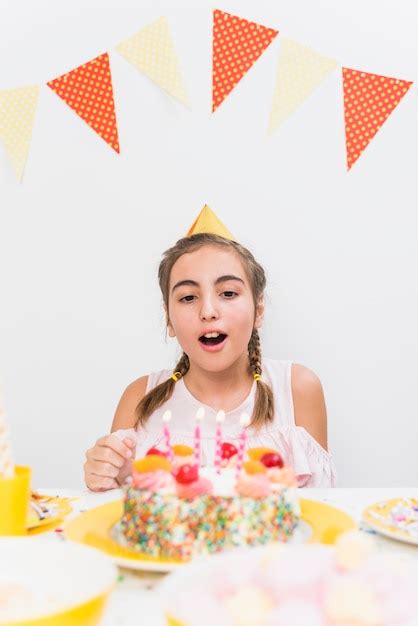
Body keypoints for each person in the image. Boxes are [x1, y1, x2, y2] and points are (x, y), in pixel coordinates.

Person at [84, 228, 337, 491]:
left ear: (258, 310)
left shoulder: (298, 389)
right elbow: (117, 508)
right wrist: (105, 476)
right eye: (188, 297)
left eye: (228, 293)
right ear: (169, 319)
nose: (208, 311)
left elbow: (319, 508)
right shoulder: (139, 397)